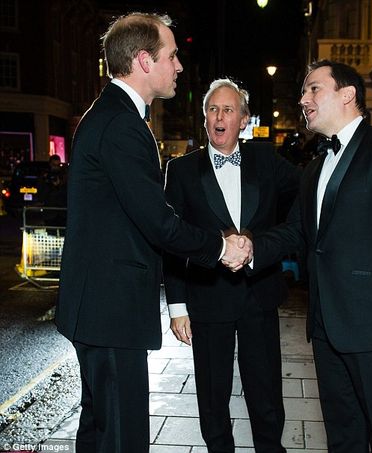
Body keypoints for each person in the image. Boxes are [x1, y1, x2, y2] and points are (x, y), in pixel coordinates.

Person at [55, 14, 251, 453]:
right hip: (110, 310)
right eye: (172, 55)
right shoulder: (122, 125)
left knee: (102, 430)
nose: (179, 66)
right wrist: (220, 247)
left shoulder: (115, 116)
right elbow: (158, 222)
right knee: (122, 438)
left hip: (104, 309)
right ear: (144, 60)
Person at [249, 60, 372, 453]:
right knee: (342, 435)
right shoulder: (315, 169)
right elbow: (296, 232)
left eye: (313, 89)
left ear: (348, 94)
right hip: (326, 327)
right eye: (304, 91)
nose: (303, 99)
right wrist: (249, 249)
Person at [163, 78, 301, 453]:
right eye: (212, 109)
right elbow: (171, 242)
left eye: (228, 110)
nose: (219, 117)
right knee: (212, 394)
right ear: (204, 118)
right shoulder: (181, 170)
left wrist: (271, 242)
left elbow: (307, 194)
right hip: (207, 298)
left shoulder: (266, 160)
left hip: (260, 295)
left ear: (244, 119)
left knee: (266, 391)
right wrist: (177, 307)